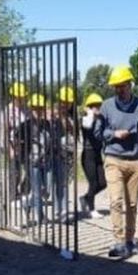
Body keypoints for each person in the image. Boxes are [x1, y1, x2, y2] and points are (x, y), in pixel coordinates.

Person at [100, 65, 138, 259]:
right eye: (116, 86)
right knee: (116, 201)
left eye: (122, 86)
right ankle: (118, 242)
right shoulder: (107, 106)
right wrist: (114, 133)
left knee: (132, 204)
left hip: (134, 161)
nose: (119, 89)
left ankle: (130, 240)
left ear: (130, 85)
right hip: (113, 158)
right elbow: (99, 132)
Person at [19, 94, 53, 224]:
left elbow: (51, 141)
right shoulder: (25, 125)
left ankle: (27, 204)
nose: (38, 111)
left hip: (47, 161)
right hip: (32, 163)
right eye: (35, 108)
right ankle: (41, 217)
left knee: (47, 190)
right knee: (38, 191)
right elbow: (17, 140)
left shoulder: (47, 124)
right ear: (30, 109)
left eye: (40, 108)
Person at [51, 86, 78, 222]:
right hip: (58, 152)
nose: (66, 104)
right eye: (64, 101)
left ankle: (61, 210)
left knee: (66, 182)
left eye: (69, 102)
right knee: (60, 183)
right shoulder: (54, 113)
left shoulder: (72, 114)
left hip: (70, 152)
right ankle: (61, 211)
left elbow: (74, 132)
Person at [80, 93, 107, 219]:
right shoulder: (86, 119)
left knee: (103, 183)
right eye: (95, 106)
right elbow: (88, 126)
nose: (98, 108)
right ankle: (91, 209)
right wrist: (90, 113)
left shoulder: (101, 119)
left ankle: (85, 198)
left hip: (97, 154)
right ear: (90, 107)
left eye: (99, 106)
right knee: (93, 183)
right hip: (88, 155)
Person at [6, 82, 30, 204]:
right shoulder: (8, 111)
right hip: (13, 145)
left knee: (31, 170)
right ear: (13, 96)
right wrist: (9, 148)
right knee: (15, 172)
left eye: (23, 96)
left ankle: (24, 192)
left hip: (26, 145)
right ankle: (13, 196)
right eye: (19, 96)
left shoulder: (27, 110)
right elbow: (4, 131)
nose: (21, 99)